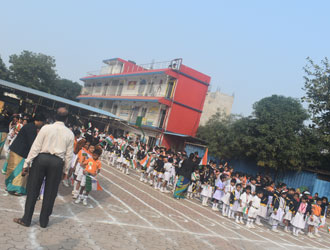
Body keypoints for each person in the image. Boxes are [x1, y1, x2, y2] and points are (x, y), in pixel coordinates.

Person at [13, 107, 74, 228]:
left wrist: (27, 163)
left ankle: (26, 219)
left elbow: (36, 146)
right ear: (66, 119)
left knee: (33, 190)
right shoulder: (70, 133)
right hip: (57, 163)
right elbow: (69, 155)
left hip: (41, 159)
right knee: (50, 193)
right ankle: (43, 221)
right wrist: (65, 171)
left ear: (55, 117)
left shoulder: (46, 128)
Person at [4, 114, 45, 195]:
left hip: (15, 150)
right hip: (21, 152)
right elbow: (31, 143)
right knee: (19, 172)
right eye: (42, 122)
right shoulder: (32, 128)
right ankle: (16, 189)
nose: (42, 124)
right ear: (39, 121)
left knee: (11, 169)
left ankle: (9, 186)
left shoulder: (29, 126)